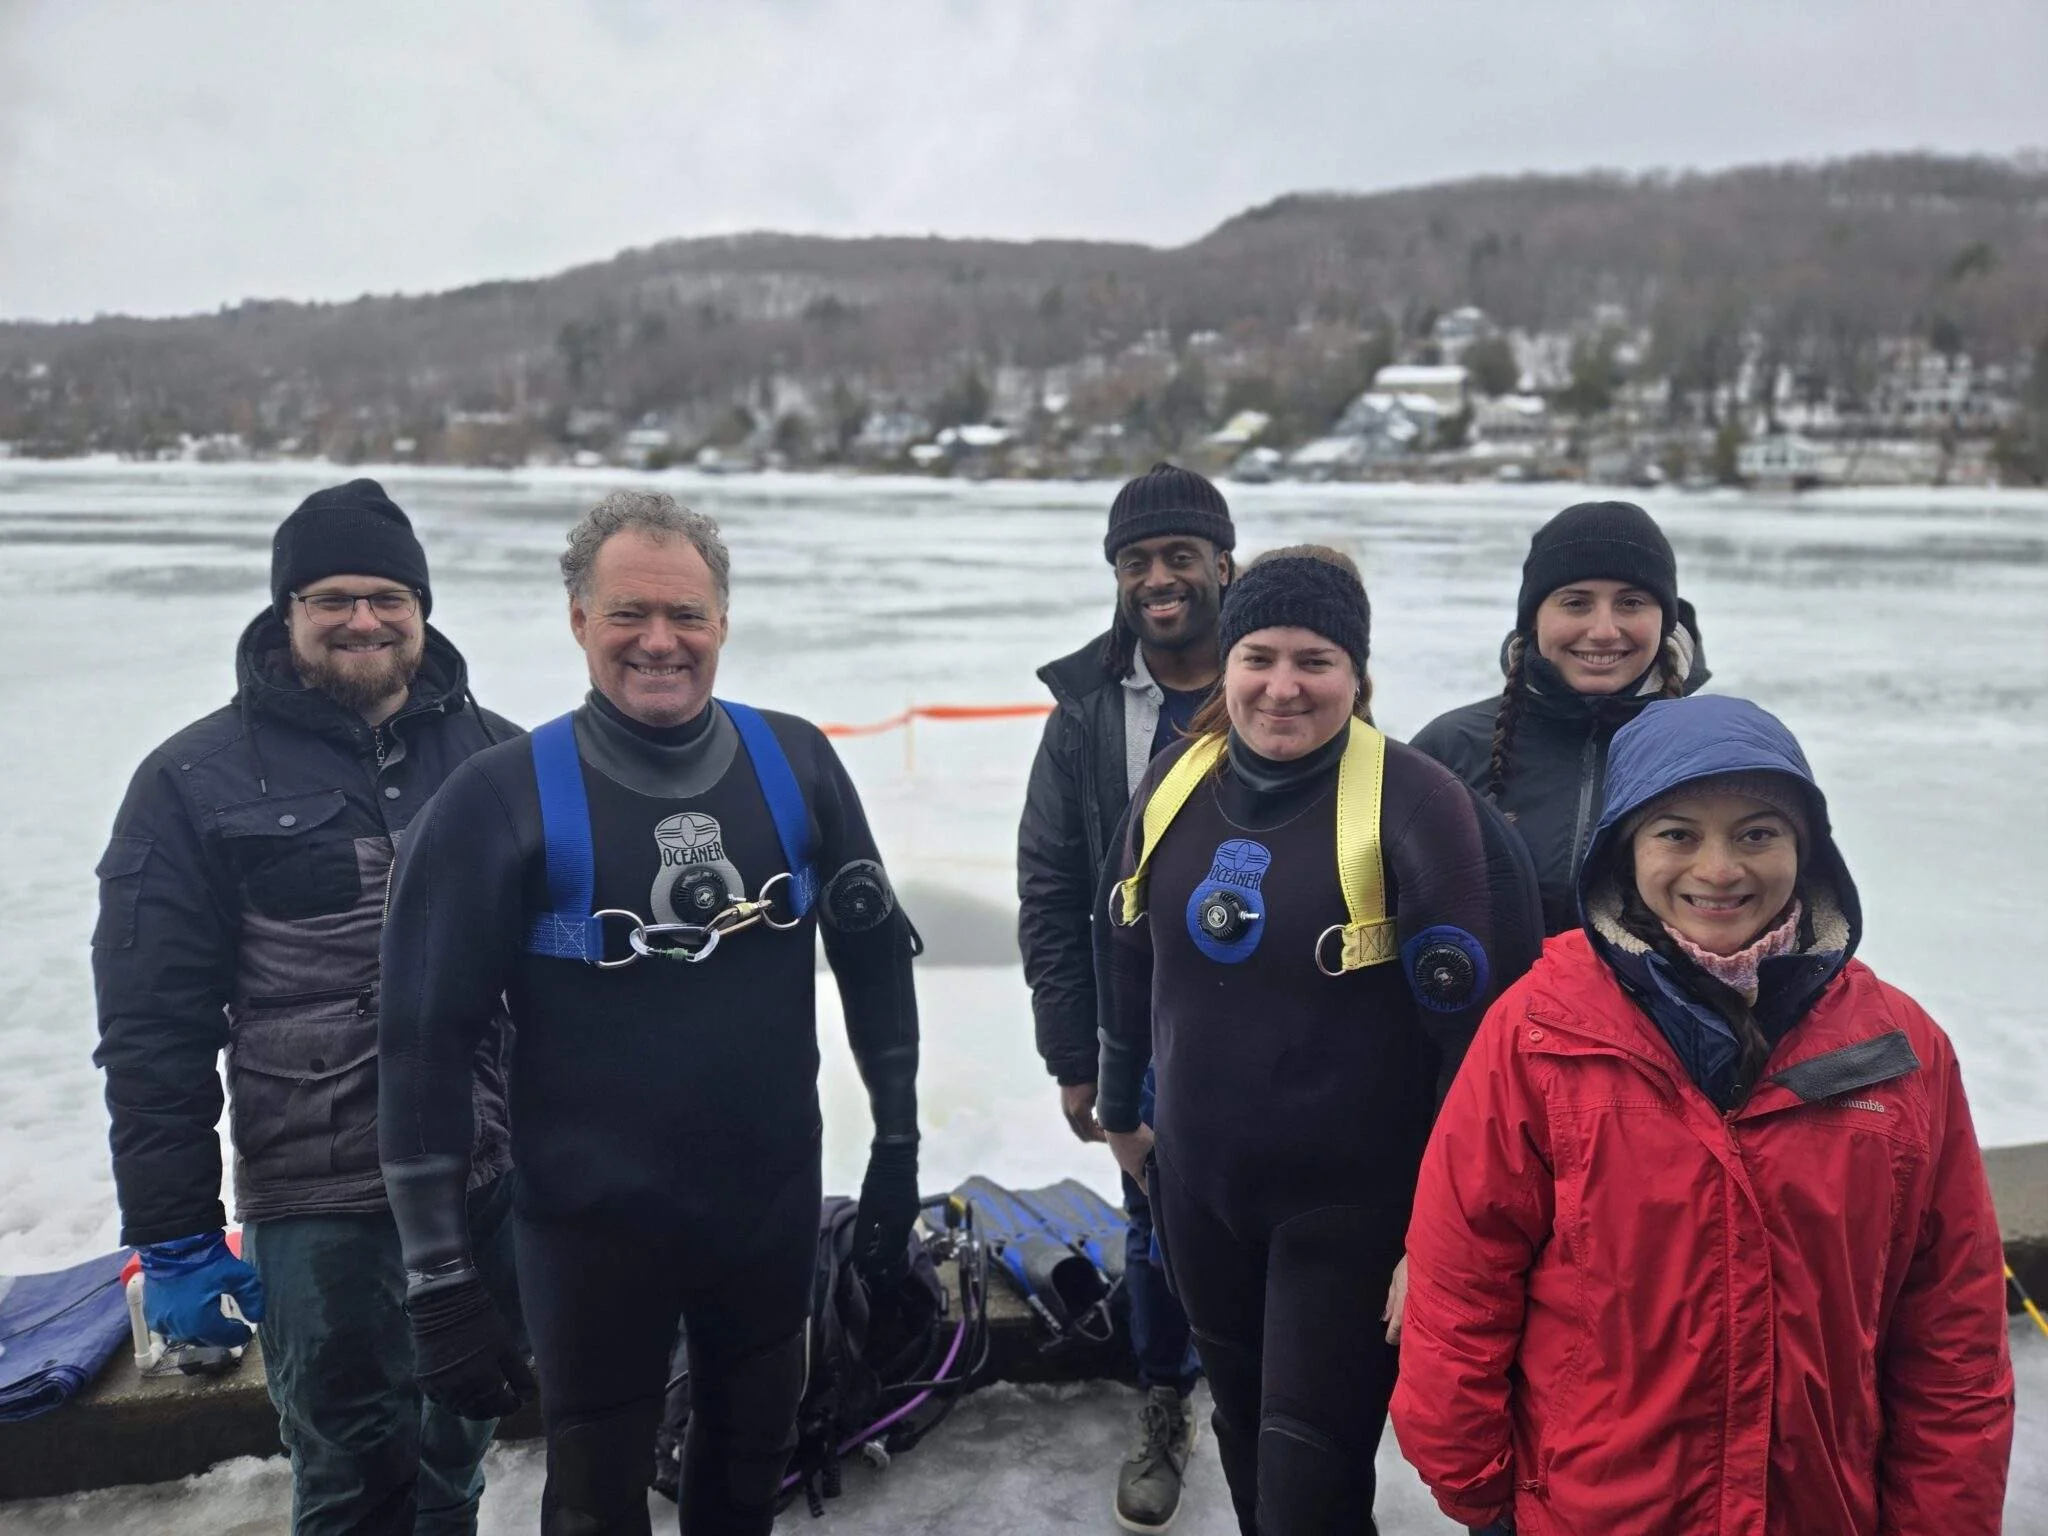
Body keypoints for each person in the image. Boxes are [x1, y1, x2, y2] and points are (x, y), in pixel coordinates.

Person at [377, 489, 922, 1536]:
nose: (659, 642)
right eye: (627, 614)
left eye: (687, 615)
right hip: (590, 1230)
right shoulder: (499, 799)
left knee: (746, 1468)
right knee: (592, 1498)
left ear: (723, 621)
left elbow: (871, 959)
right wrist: (438, 1270)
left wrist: (893, 1148)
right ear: (578, 620)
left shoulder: (796, 764)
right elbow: (418, 1046)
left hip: (764, 1210)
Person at [1392, 694, 2015, 1536]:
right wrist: (1479, 1489)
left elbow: (1951, 1330)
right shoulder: (1537, 1030)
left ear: (1809, 850)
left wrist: (1942, 1518)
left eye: (1757, 834)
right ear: (1624, 851)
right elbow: (1461, 1276)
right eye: (1677, 834)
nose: (1718, 870)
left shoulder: (1902, 1050)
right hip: (1588, 1512)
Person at [91, 479, 521, 1535]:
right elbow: (154, 1028)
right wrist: (176, 1233)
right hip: (319, 1199)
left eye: (388, 595)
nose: (363, 619)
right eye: (331, 596)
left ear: (422, 607)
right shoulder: (191, 779)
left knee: (458, 1451)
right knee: (345, 1473)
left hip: (485, 1183)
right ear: (286, 611)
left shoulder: (501, 758)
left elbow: (564, 986)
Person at [1095, 547, 1542, 1536]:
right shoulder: (1175, 784)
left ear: (1356, 675)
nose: (1281, 687)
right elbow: (1123, 950)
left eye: (1314, 661)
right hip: (1200, 1197)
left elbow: (1486, 1058)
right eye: (1258, 657)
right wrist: (1122, 1110)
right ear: (1225, 660)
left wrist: (1441, 1236)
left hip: (1348, 1220)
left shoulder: (1418, 810)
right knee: (1250, 1459)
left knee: (1308, 1483)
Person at [1017, 461, 1230, 1532]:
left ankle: (1271, 1404)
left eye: (1179, 556)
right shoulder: (1089, 715)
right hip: (1141, 1026)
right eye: (1137, 560)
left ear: (1220, 566)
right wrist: (1072, 1055)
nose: (1158, 578)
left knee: (1282, 1221)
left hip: (1278, 1021)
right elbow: (1050, 886)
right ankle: (1163, 1394)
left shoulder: (1282, 676)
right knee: (1155, 1226)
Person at [1411, 499, 1708, 935]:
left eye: (1631, 602)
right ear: (1534, 617)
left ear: (1665, 619)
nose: (1604, 630)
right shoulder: (1449, 747)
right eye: (1575, 603)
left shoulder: (1712, 751)